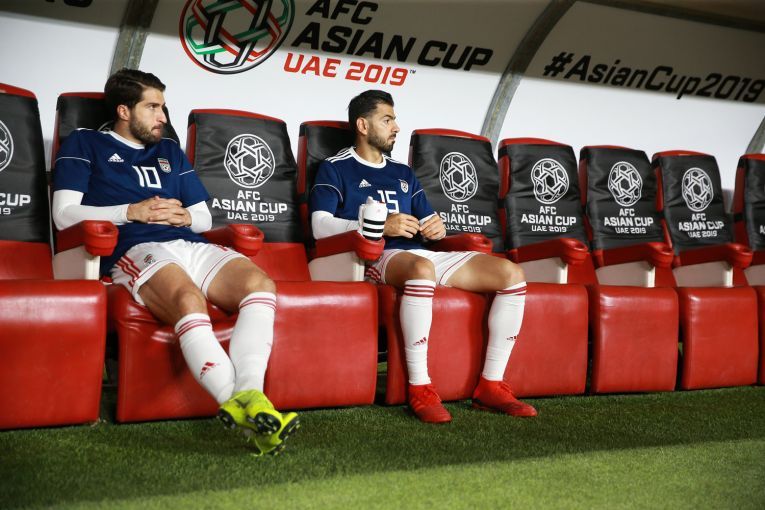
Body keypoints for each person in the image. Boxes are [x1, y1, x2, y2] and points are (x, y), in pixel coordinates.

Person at [52, 68, 298, 454]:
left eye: (163, 107)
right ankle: (237, 402)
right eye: (152, 107)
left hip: (188, 243)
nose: (162, 116)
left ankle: (251, 396)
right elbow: (63, 214)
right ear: (123, 110)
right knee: (188, 300)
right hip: (134, 248)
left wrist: (185, 216)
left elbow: (203, 217)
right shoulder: (85, 142)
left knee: (260, 286)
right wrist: (129, 211)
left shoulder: (168, 150)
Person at [309, 90, 537, 423]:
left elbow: (429, 222)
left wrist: (436, 229)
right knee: (421, 269)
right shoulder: (335, 168)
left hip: (421, 256)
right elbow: (319, 226)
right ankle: (420, 387)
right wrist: (379, 226)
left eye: (394, 119)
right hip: (371, 257)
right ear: (362, 125)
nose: (396, 127)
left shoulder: (403, 173)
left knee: (511, 275)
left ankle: (491, 385)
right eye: (387, 120)